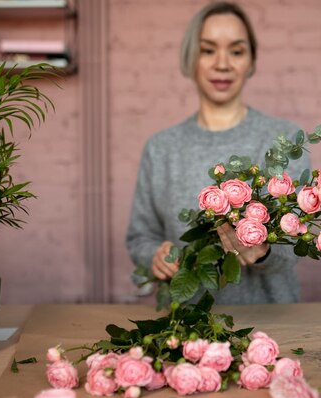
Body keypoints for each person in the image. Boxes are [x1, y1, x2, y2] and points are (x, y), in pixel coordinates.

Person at [125, 1, 310, 304]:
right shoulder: (161, 148)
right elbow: (140, 237)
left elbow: (295, 243)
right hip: (187, 330)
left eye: (236, 51)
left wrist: (263, 250)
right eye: (208, 50)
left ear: (251, 61)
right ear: (190, 58)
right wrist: (154, 256)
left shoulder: (284, 140)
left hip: (273, 331)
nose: (222, 63)